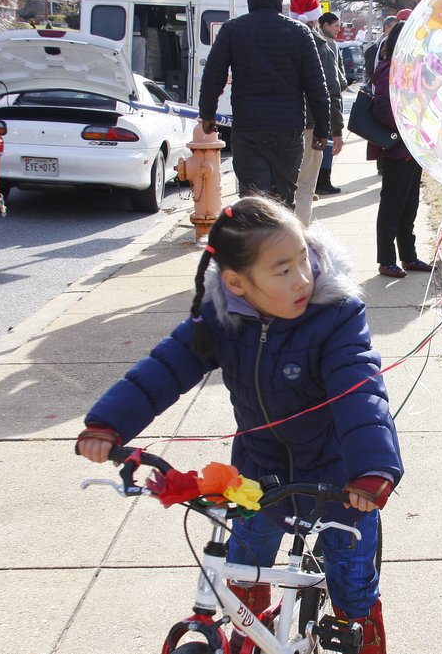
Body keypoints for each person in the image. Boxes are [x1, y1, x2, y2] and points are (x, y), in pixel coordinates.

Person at [77, 197, 403, 654]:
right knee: (242, 569)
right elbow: (165, 368)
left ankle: (364, 637)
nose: (302, 278)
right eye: (282, 269)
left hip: (340, 477)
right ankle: (251, 635)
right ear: (236, 283)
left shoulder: (335, 316)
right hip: (259, 472)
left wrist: (371, 470)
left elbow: (359, 390)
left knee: (352, 586)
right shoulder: (221, 319)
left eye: (302, 260)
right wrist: (108, 425)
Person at [198, 0, 329, 208]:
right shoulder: (300, 33)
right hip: (289, 128)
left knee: (253, 201)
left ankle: (255, 239)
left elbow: (213, 77)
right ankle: (282, 240)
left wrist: (207, 114)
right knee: (284, 201)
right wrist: (322, 129)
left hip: (249, 126)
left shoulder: (232, 30)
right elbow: (317, 87)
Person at [368, 21, 433, 278]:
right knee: (392, 206)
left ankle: (409, 256)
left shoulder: (411, 71)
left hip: (412, 148)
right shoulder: (388, 71)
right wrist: (411, 122)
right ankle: (386, 260)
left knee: (409, 206)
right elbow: (383, 110)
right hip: (397, 148)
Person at [291, 0, 344, 224]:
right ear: (316, 18)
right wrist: (336, 128)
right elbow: (331, 89)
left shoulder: (278, 42)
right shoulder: (322, 46)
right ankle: (299, 238)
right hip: (311, 124)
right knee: (305, 185)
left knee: (281, 187)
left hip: (280, 123)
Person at [316, 12, 348, 195]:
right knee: (326, 142)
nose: (338, 29)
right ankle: (322, 180)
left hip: (331, 98)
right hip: (326, 100)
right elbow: (333, 76)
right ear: (325, 25)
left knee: (326, 144)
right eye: (336, 25)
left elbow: (339, 71)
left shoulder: (334, 45)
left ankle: (324, 179)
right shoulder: (322, 45)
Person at [364, 15, 397, 80]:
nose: (398, 32)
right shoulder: (372, 51)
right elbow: (371, 75)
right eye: (395, 29)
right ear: (386, 27)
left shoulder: (398, 48)